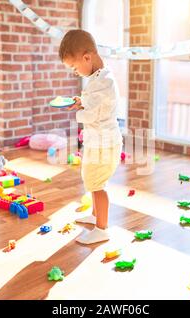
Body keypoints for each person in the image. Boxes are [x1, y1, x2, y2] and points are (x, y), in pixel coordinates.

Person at [58, 29, 123, 244]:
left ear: (87, 57)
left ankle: (102, 229)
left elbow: (93, 113)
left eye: (75, 68)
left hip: (104, 144)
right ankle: (95, 216)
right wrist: (81, 100)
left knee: (97, 184)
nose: (75, 72)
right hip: (98, 142)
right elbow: (93, 100)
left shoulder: (105, 82)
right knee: (91, 179)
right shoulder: (99, 76)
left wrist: (77, 110)